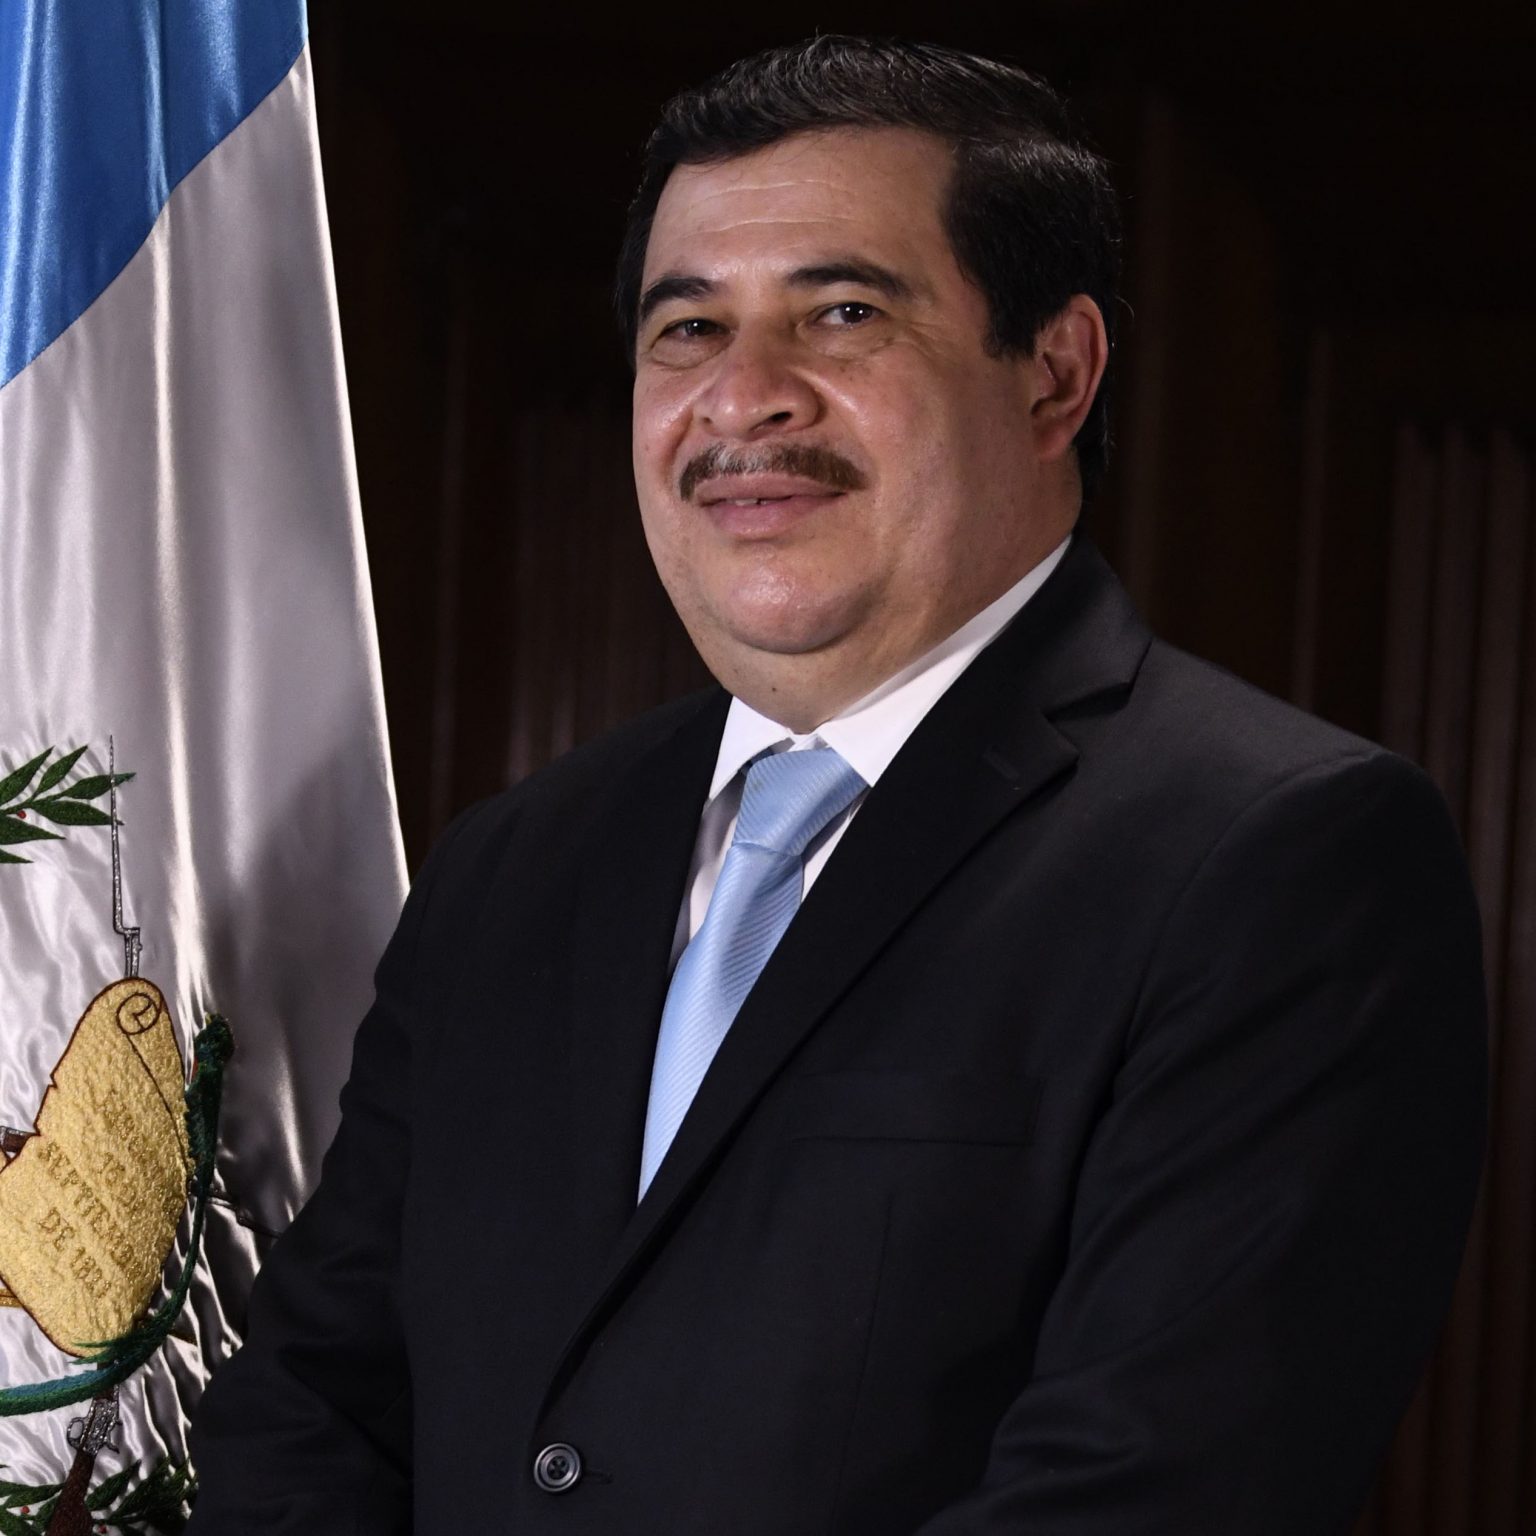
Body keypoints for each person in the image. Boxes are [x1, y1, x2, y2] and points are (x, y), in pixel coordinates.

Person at [188, 36, 1486, 1535]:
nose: (743, 399)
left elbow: (1146, 1493)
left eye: (844, 313)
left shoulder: (1284, 859)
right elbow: (315, 1404)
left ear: (1054, 373)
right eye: (689, 329)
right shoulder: (513, 865)